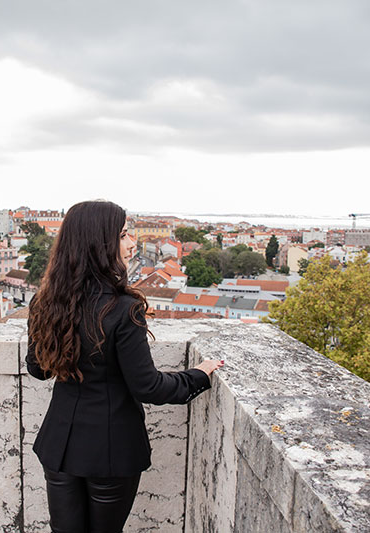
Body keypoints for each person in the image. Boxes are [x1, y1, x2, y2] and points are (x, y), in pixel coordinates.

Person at [26, 200, 223, 533]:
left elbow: (39, 369)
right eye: (123, 234)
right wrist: (198, 376)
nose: (132, 242)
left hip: (59, 444)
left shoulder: (46, 301)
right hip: (111, 450)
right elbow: (148, 386)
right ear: (98, 243)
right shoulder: (123, 308)